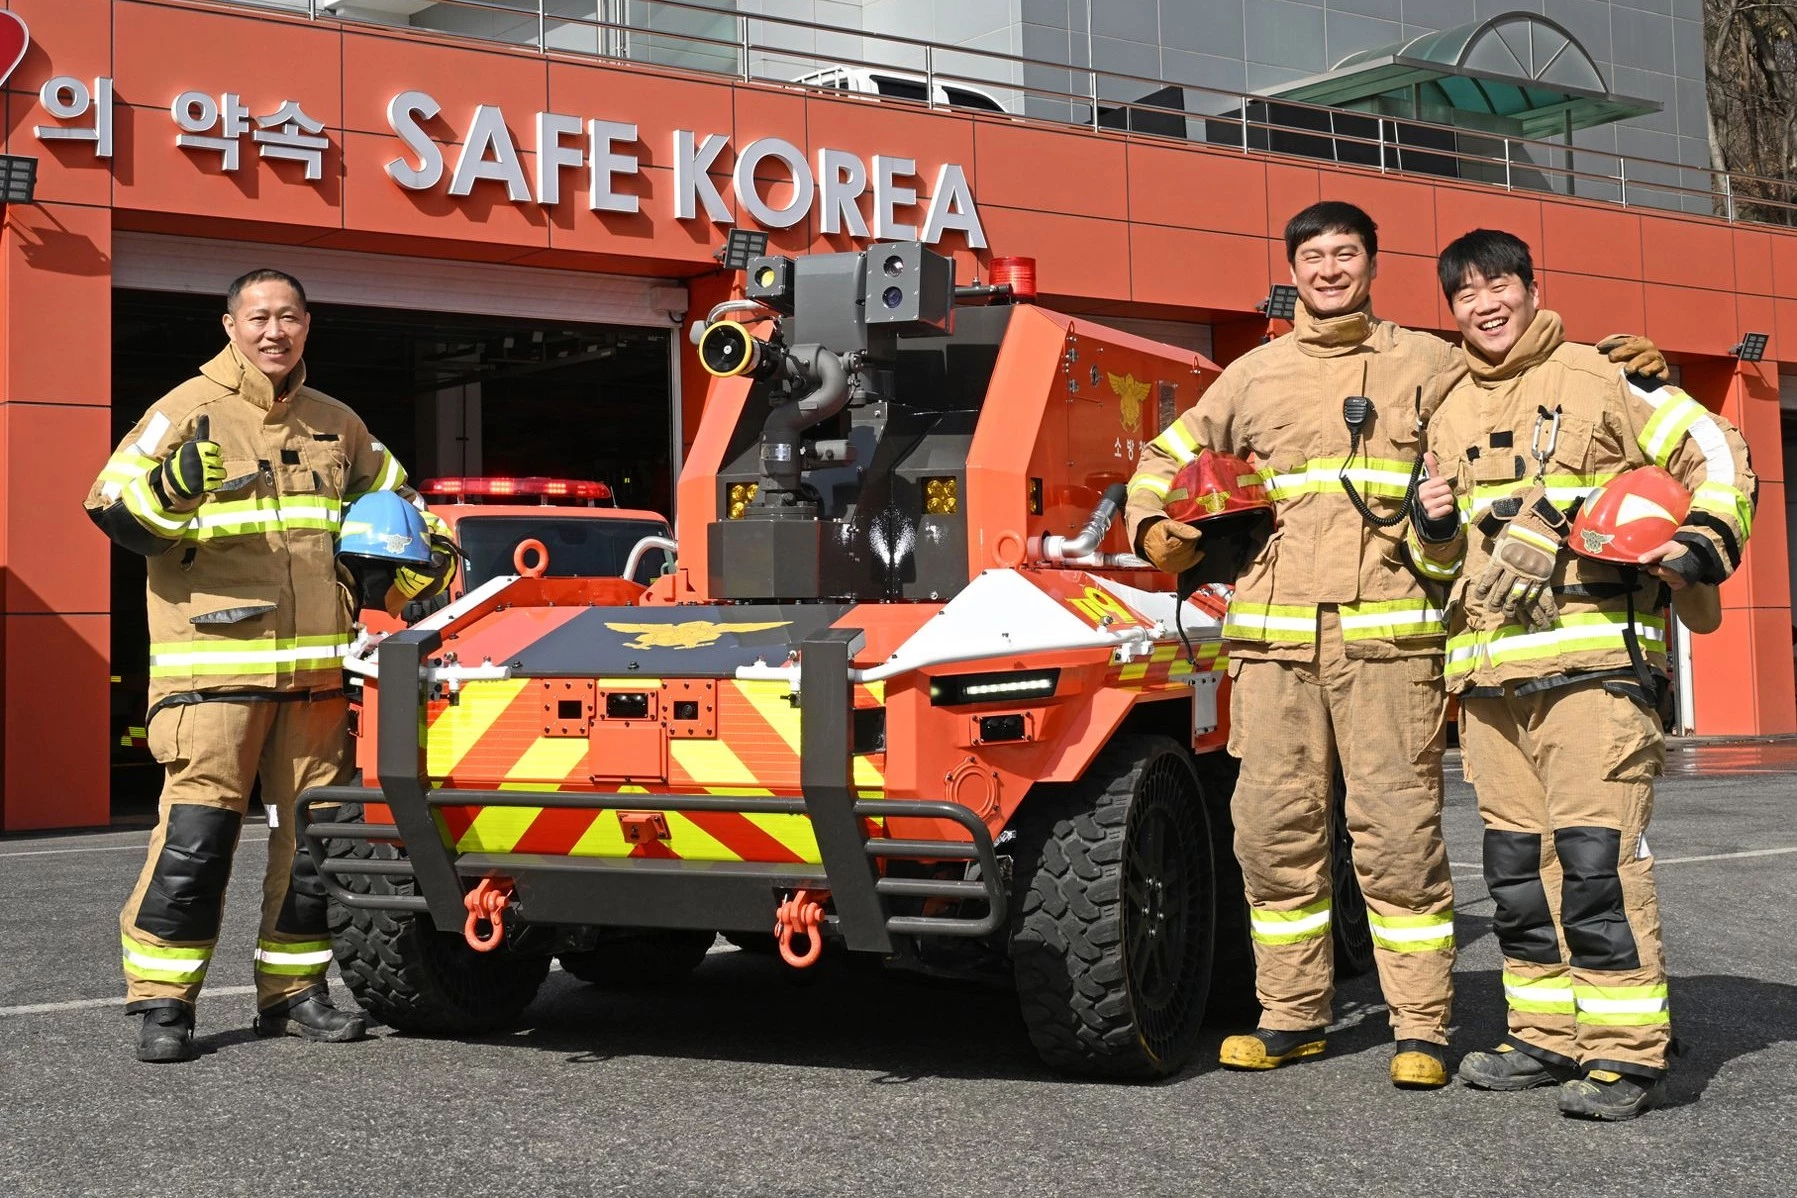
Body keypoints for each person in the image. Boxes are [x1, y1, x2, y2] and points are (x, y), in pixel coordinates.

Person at [1125, 201, 1666, 1090]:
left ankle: (1420, 1024)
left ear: (1372, 265)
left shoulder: (1432, 361)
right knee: (1271, 837)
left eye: (1345, 254)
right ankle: (1291, 1014)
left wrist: (1628, 368)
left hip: (1391, 647)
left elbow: (1524, 377)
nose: (1328, 269)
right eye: (1312, 256)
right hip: (1271, 649)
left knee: (1397, 840)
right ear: (1292, 270)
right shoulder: (1250, 375)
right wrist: (1154, 526)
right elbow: (1163, 457)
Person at [1410, 229, 1754, 1120]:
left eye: (1498, 286)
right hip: (1488, 685)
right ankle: (1543, 1035)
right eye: (1464, 295)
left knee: (1596, 865)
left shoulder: (1604, 375)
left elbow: (1713, 452)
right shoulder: (1444, 406)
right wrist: (1433, 524)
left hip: (1593, 671)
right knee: (1517, 871)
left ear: (1530, 287)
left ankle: (1624, 1054)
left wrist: (1698, 546)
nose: (1483, 305)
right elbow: (1438, 563)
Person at [85, 269, 454, 1063]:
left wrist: (430, 556)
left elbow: (402, 510)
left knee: (312, 846)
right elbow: (112, 507)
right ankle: (164, 1002)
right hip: (211, 673)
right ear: (229, 324)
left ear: (307, 325)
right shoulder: (184, 411)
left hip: (318, 681)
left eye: (288, 316)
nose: (273, 331)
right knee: (196, 840)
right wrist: (171, 490)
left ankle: (293, 994)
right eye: (258, 317)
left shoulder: (338, 424)